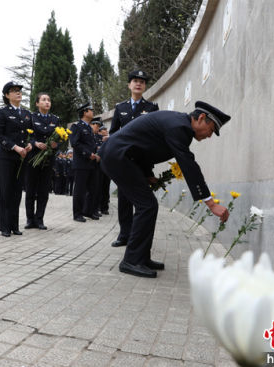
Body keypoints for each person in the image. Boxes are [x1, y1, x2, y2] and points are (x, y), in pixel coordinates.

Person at [99, 101, 231, 278]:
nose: (209, 136)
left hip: (122, 157)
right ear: (201, 118)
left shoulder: (178, 123)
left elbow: (144, 147)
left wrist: (147, 174)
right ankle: (131, 260)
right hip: (118, 157)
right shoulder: (180, 127)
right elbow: (188, 165)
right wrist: (211, 203)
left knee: (148, 206)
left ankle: (141, 257)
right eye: (211, 130)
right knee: (147, 206)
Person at [109, 70, 159, 248]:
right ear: (129, 84)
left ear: (145, 86)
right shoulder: (120, 108)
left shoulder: (152, 107)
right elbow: (113, 133)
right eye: (135, 81)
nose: (138, 84)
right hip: (123, 160)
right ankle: (124, 235)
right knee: (124, 200)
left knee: (141, 201)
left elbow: (154, 136)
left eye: (142, 82)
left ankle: (137, 237)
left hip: (142, 161)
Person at [0, 82, 33, 237]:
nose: (18, 93)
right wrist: (15, 147)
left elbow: (31, 134)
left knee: (17, 191)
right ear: (6, 95)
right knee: (5, 191)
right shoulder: (2, 112)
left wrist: (29, 145)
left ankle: (14, 225)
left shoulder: (26, 114)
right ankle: (4, 226)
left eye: (19, 91)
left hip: (22, 157)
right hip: (7, 157)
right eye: (14, 91)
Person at [24, 92, 60, 230]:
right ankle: (29, 219)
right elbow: (27, 135)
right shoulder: (31, 117)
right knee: (31, 189)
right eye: (43, 100)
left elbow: (59, 137)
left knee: (43, 190)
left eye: (49, 100)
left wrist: (55, 145)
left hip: (47, 159)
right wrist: (35, 143)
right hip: (33, 157)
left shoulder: (55, 119)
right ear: (37, 103)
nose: (47, 102)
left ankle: (39, 219)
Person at [70, 103, 100, 222]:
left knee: (93, 188)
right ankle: (77, 214)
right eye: (91, 110)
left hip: (92, 163)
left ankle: (88, 211)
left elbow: (91, 144)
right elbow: (75, 143)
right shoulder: (76, 126)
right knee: (80, 189)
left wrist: (96, 153)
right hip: (82, 163)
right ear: (85, 112)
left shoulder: (88, 127)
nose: (93, 112)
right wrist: (88, 154)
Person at [97, 126, 110, 215]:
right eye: (104, 130)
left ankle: (104, 207)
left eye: (106, 130)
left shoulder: (109, 140)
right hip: (98, 167)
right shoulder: (96, 139)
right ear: (100, 132)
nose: (106, 131)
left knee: (106, 188)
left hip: (107, 167)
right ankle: (97, 207)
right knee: (98, 188)